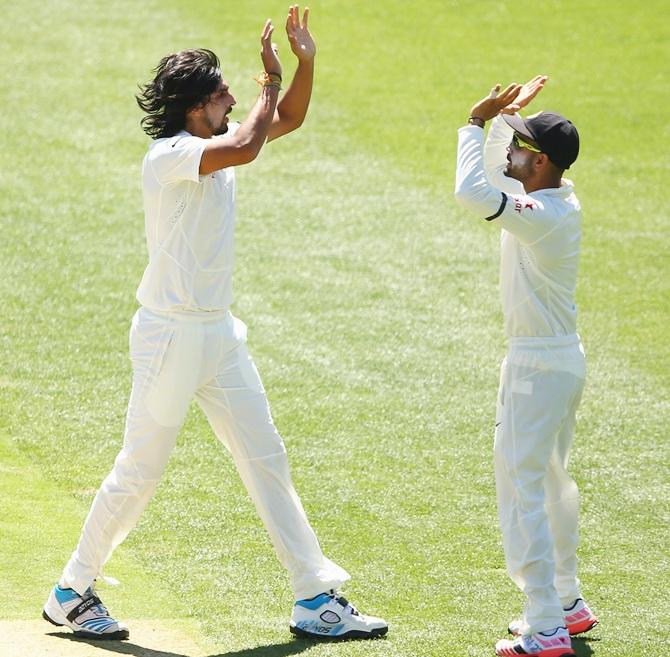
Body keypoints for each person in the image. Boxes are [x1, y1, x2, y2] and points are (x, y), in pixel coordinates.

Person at [42, 6, 387, 643]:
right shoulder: (171, 155)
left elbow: (286, 122)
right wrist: (269, 82)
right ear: (196, 105)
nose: (234, 95)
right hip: (170, 336)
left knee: (266, 458)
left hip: (218, 335)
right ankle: (71, 589)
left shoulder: (214, 143)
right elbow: (249, 143)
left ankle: (314, 595)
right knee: (140, 470)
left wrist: (304, 65)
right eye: (222, 90)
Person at [454, 78, 598, 657]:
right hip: (559, 361)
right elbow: (494, 180)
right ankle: (566, 601)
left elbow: (473, 192)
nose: (509, 152)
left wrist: (473, 122)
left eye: (519, 146)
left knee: (523, 495)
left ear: (539, 162)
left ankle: (546, 625)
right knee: (551, 483)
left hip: (537, 369)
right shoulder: (553, 198)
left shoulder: (540, 215)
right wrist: (498, 126)